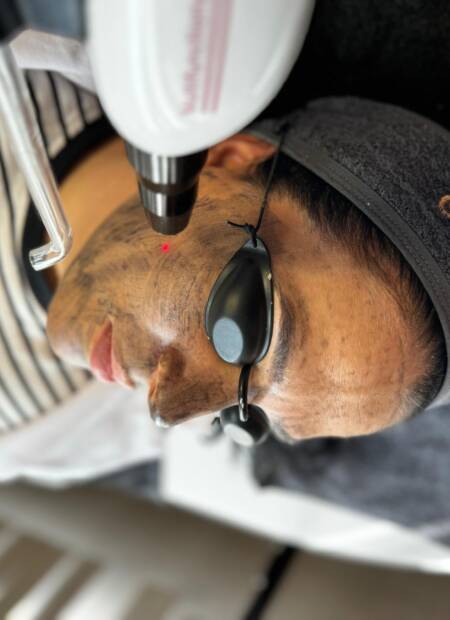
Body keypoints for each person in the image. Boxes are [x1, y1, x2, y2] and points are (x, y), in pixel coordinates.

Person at [0, 0, 449, 482]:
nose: (167, 407)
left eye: (243, 416)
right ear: (231, 157)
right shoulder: (46, 27)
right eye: (240, 330)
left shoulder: (56, 434)